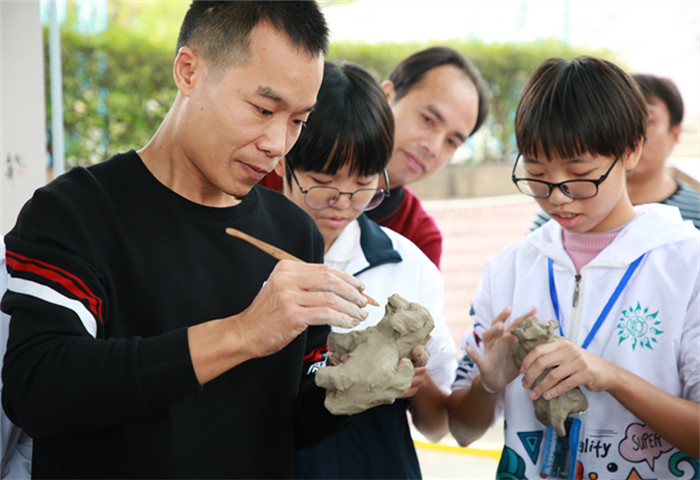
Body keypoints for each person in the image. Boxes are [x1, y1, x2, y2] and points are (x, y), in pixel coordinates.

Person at [1, 2, 377, 478]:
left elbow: (283, 422)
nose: (277, 143)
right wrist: (241, 333)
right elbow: (37, 389)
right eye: (263, 109)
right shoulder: (76, 211)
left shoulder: (294, 232)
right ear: (188, 71)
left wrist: (349, 386)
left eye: (298, 121)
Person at [447, 56, 700, 480]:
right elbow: (462, 429)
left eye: (580, 176)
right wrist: (488, 384)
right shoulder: (509, 268)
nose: (558, 198)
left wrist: (612, 377)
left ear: (631, 150)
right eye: (538, 175)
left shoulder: (686, 263)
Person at [275, 61, 457, 479]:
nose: (342, 202)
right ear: (282, 161)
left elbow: (437, 424)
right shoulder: (244, 255)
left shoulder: (409, 266)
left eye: (363, 184)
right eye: (322, 181)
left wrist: (417, 378)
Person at [261, 46, 490, 268]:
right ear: (387, 95)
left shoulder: (418, 240)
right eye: (428, 119)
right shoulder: (261, 170)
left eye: (452, 142)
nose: (433, 147)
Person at [530, 73, 700, 230]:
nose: (632, 132)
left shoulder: (695, 215)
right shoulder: (560, 217)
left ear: (676, 133)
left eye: (647, 120)